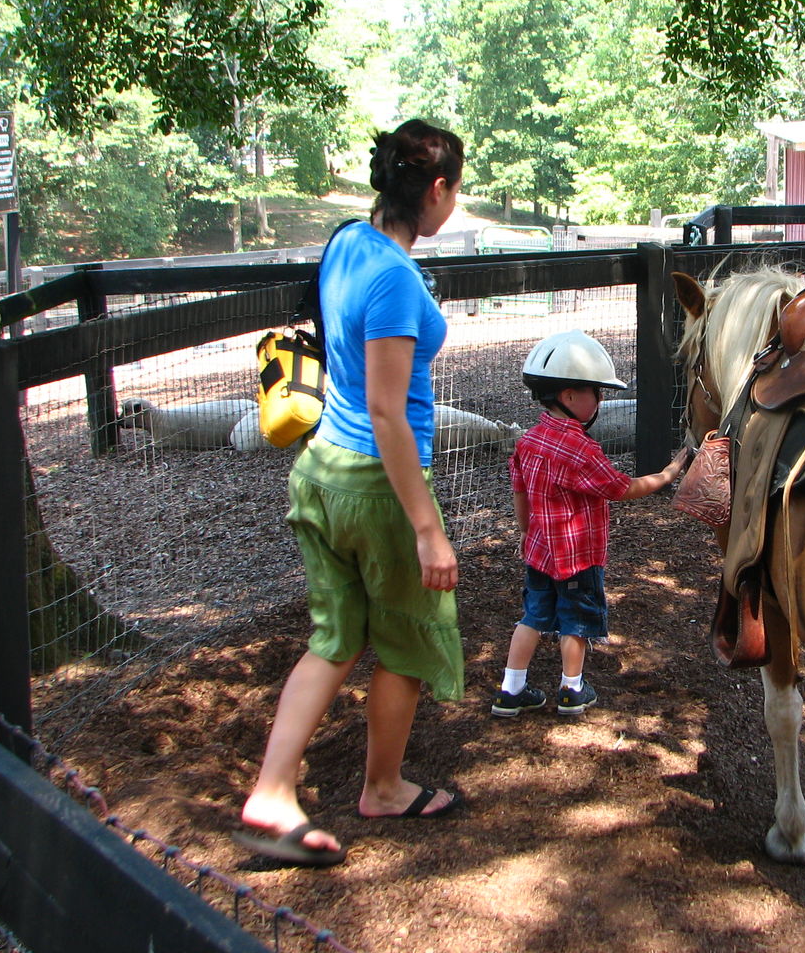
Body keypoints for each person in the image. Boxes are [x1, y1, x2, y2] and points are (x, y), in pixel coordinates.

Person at [234, 119, 466, 867]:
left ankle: (271, 793)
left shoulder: (344, 241)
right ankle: (385, 787)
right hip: (377, 484)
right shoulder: (396, 278)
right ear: (435, 189)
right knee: (402, 641)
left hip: (321, 470)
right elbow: (386, 412)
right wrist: (427, 528)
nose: (454, 201)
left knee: (334, 640)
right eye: (455, 189)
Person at [492, 331, 691, 717]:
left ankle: (511, 690)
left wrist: (523, 532)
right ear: (569, 396)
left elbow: (520, 493)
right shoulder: (580, 449)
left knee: (532, 617)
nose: (601, 400)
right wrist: (667, 475)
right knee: (576, 622)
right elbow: (621, 488)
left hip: (538, 553)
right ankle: (572, 689)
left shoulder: (528, 441)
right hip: (577, 559)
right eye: (596, 392)